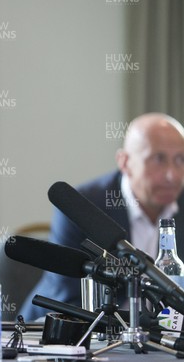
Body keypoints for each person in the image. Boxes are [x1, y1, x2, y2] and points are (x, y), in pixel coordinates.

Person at [21, 113, 184, 321]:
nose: (172, 175)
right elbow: (69, 299)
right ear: (124, 162)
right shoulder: (82, 206)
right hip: (62, 335)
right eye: (158, 159)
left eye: (180, 159)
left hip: (158, 337)